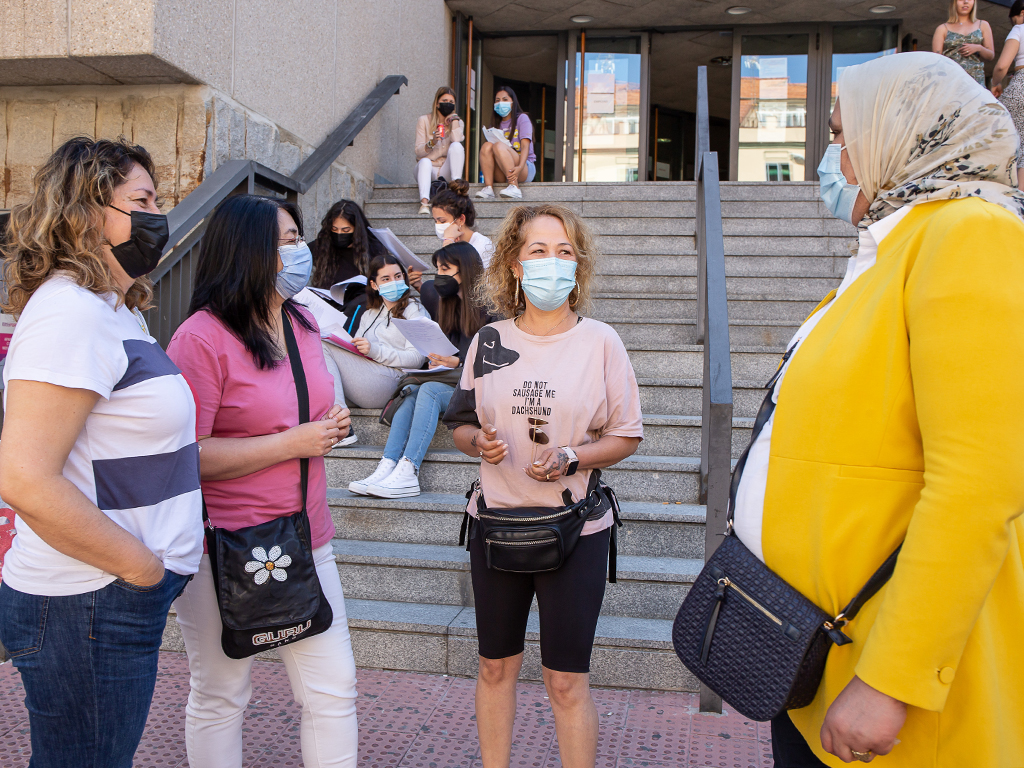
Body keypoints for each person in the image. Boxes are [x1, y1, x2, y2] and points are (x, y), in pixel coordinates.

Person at [730, 52, 1024, 767]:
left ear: (901, 132)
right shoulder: (889, 251)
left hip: (883, 683)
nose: (833, 159)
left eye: (841, 133)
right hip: (815, 651)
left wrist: (892, 680)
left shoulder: (970, 233)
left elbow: (979, 483)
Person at [0, 137, 203, 767]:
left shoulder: (113, 311)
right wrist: (140, 571)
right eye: (141, 202)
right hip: (87, 600)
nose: (157, 217)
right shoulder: (70, 314)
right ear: (88, 212)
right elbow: (24, 477)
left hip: (104, 599)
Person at [442, 204, 643, 768]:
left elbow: (627, 435)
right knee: (494, 667)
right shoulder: (488, 340)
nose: (552, 262)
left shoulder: (601, 341)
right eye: (538, 250)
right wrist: (477, 443)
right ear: (513, 263)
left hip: (575, 532)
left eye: (564, 252)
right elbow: (460, 425)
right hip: (496, 527)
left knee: (566, 680)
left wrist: (574, 456)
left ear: (578, 266)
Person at [166, 195, 358, 768]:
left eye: (299, 238)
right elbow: (186, 455)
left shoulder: (301, 320)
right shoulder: (200, 338)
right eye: (287, 240)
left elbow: (303, 407)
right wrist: (292, 442)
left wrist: (328, 424)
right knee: (221, 692)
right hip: (224, 546)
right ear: (247, 249)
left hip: (307, 535)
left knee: (333, 690)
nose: (300, 251)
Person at [353, 241, 490, 498]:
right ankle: (388, 464)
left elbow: (499, 361)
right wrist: (438, 360)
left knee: (428, 390)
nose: (438, 276)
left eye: (445, 269)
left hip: (481, 388)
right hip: (453, 381)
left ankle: (409, 469)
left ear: (465, 270)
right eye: (437, 269)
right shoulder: (446, 303)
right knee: (412, 391)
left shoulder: (492, 308)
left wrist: (459, 362)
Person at [321, 252, 428, 419]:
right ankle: (333, 418)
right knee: (320, 349)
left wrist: (374, 351)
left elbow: (417, 359)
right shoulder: (369, 314)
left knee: (324, 347)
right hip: (367, 376)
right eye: (386, 279)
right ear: (374, 285)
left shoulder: (415, 309)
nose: (394, 282)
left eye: (398, 276)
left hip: (396, 380)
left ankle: (339, 420)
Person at [309, 198, 387, 334]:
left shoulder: (374, 248)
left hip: (361, 305)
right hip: (329, 303)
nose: (339, 234)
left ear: (356, 230)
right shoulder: (322, 246)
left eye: (346, 230)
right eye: (334, 229)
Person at [476, 86, 536, 201]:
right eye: (497, 100)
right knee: (486, 146)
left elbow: (525, 146)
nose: (500, 103)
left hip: (524, 167)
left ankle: (514, 187)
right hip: (504, 170)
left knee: (498, 145)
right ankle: (488, 188)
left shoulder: (522, 118)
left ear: (513, 102)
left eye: (505, 99)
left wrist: (520, 167)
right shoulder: (495, 124)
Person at [415, 87, 466, 215]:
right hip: (427, 169)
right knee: (425, 162)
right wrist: (432, 142)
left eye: (451, 102)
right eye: (444, 101)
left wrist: (454, 120)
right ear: (437, 103)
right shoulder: (424, 120)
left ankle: (456, 191)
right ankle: (424, 203)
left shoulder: (458, 122)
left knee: (457, 146)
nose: (448, 104)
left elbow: (457, 141)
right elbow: (418, 152)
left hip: (445, 170)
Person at [990, 0, 1024, 169]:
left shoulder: (1019, 29)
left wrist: (995, 83)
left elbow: (1002, 66)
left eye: (1014, 20)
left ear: (1022, 13)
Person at [932, 0, 994, 86]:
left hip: (975, 80)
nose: (966, 2)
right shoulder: (942, 28)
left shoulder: (982, 24)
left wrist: (978, 48)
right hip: (952, 79)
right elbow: (936, 60)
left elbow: (990, 55)